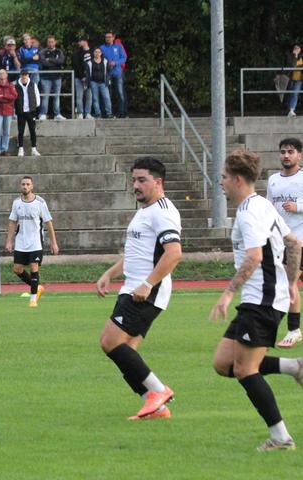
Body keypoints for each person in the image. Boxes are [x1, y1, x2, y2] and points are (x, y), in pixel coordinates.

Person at [209, 149, 303, 452]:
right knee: (223, 363)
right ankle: (294, 367)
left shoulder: (250, 212)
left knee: (245, 370)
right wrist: (290, 282)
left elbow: (253, 257)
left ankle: (280, 438)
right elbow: (294, 241)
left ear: (237, 179)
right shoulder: (261, 203)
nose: (220, 182)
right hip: (261, 298)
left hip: (259, 301)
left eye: (223, 177)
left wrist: (226, 294)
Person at [95, 157, 182, 421]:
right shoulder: (145, 210)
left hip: (144, 290)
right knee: (127, 353)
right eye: (134, 180)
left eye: (142, 180)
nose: (136, 185)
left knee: (109, 342)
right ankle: (156, 407)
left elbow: (174, 253)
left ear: (158, 182)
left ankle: (158, 390)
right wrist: (110, 273)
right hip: (134, 287)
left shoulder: (163, 211)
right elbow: (137, 252)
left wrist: (147, 284)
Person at [267, 137, 303, 347]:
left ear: (299, 154)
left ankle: (293, 330)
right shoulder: (273, 180)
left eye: (291, 152)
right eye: (283, 152)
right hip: (282, 242)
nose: (286, 155)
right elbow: (270, 207)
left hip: (299, 242)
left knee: (286, 284)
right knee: (286, 284)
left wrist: (297, 206)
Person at [5, 176, 59, 307]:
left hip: (35, 241)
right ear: (20, 186)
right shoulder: (16, 203)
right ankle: (37, 287)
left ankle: (33, 298)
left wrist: (54, 243)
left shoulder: (40, 202)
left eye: (28, 184)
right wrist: (9, 241)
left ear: (32, 186)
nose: (25, 186)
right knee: (17, 269)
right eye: (23, 184)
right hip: (20, 242)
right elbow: (12, 222)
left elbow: (48, 223)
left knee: (34, 266)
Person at [100, 30, 127, 118]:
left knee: (120, 93)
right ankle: (108, 113)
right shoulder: (102, 48)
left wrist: (115, 63)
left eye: (109, 37)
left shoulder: (118, 47)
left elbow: (124, 57)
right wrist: (107, 64)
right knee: (108, 94)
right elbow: (99, 59)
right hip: (107, 73)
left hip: (118, 73)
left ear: (113, 37)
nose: (107, 39)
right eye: (106, 37)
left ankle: (122, 113)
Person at [38, 35, 65, 121]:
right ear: (47, 43)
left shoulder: (59, 51)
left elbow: (61, 61)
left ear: (55, 42)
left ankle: (57, 114)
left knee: (57, 96)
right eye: (49, 42)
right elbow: (44, 63)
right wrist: (54, 62)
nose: (50, 43)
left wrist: (49, 59)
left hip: (57, 77)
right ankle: (43, 114)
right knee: (45, 96)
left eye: (52, 42)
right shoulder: (43, 52)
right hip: (46, 78)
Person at [0, 69, 17, 156]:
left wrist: (3, 96)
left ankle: (4, 150)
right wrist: (7, 98)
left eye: (3, 74)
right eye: (0, 74)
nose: (2, 76)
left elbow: (14, 96)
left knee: (7, 132)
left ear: (6, 75)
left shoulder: (11, 85)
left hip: (8, 112)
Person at [15, 69, 41, 156]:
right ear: (20, 76)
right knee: (21, 131)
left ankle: (34, 149)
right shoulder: (16, 86)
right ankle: (21, 149)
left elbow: (37, 97)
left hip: (31, 112)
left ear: (28, 75)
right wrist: (17, 108)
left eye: (26, 75)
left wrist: (33, 107)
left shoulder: (33, 85)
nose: (24, 76)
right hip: (21, 112)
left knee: (32, 131)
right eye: (23, 75)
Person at [88, 47, 112, 119]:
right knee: (95, 99)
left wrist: (108, 80)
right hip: (93, 82)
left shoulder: (105, 61)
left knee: (107, 98)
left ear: (101, 53)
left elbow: (108, 71)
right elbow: (88, 73)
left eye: (99, 52)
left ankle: (109, 113)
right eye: (96, 52)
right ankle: (98, 114)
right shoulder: (90, 62)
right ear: (93, 53)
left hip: (103, 83)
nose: (97, 53)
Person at [72, 35, 92, 119]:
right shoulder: (77, 52)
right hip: (79, 78)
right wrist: (82, 77)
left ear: (85, 41)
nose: (78, 43)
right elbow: (76, 65)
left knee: (89, 96)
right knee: (79, 96)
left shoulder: (93, 51)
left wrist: (89, 77)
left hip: (90, 78)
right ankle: (80, 113)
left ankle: (87, 113)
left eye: (80, 41)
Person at [285, 44, 301, 117]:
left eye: (298, 48)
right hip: (291, 79)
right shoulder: (290, 57)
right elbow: (291, 66)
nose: (296, 49)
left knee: (295, 93)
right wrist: (295, 56)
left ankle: (291, 110)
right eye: (295, 48)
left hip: (299, 79)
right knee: (291, 94)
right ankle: (289, 110)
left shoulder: (302, 57)